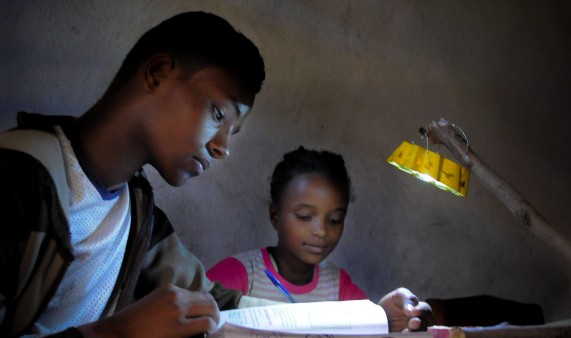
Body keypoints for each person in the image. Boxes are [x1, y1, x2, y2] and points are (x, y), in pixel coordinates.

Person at [0, 11, 429, 338]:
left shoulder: (139, 218)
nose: (223, 147)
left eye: (233, 132)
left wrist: (373, 315)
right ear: (157, 73)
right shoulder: (18, 175)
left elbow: (225, 305)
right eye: (218, 114)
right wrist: (115, 333)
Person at [208, 146, 369, 302]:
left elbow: (375, 324)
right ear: (275, 216)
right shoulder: (240, 275)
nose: (321, 231)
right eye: (304, 216)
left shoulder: (337, 285)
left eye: (335, 219)